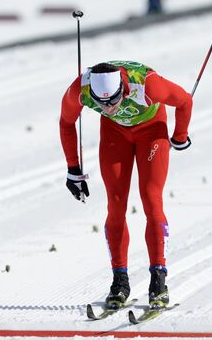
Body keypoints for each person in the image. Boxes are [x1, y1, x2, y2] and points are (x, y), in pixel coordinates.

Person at [59, 61, 192, 310]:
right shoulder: (81, 90)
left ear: (123, 88)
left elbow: (184, 100)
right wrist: (73, 169)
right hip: (115, 135)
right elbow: (66, 122)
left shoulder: (147, 85)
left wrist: (180, 137)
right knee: (115, 204)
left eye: (114, 100)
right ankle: (120, 281)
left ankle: (158, 280)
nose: (108, 107)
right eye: (102, 103)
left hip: (151, 130)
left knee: (151, 199)